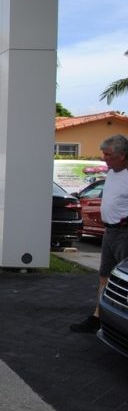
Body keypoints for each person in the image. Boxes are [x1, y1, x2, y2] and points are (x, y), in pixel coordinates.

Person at [70, 134, 128, 332]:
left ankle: (119, 320)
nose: (104, 158)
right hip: (109, 232)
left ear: (122, 155)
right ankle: (99, 317)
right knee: (104, 276)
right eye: (103, 154)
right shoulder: (112, 173)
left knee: (124, 280)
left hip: (124, 233)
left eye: (108, 155)